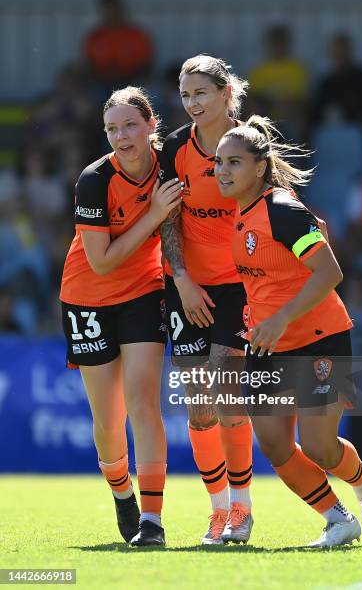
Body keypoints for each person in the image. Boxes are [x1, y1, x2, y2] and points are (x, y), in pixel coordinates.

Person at [214, 115, 362, 547]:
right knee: (274, 444)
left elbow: (330, 272)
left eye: (234, 162)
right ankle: (338, 519)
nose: (222, 170)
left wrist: (280, 318)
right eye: (218, 162)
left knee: (319, 448)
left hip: (319, 337)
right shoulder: (242, 214)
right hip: (268, 343)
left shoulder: (283, 211)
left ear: (259, 167)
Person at [59, 86, 182, 547]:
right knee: (109, 421)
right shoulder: (94, 180)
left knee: (143, 404)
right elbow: (102, 261)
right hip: (86, 296)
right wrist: (152, 215)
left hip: (143, 292)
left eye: (131, 125)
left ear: (152, 125)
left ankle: (151, 521)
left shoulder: (170, 166)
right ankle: (122, 496)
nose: (121, 136)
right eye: (112, 128)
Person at [159, 55, 253, 545]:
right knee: (198, 407)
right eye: (186, 94)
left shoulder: (254, 142)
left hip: (241, 285)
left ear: (224, 93)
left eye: (201, 93)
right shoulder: (174, 149)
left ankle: (243, 509)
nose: (192, 103)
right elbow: (168, 219)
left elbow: (277, 206)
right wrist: (182, 281)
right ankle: (218, 511)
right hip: (187, 289)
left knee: (226, 389)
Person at [83, 0, 154, 99]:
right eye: (108, 10)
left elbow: (147, 64)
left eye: (114, 10)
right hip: (101, 85)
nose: (111, 14)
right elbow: (88, 65)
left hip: (132, 83)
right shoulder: (95, 37)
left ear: (121, 10)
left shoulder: (136, 35)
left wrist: (128, 78)